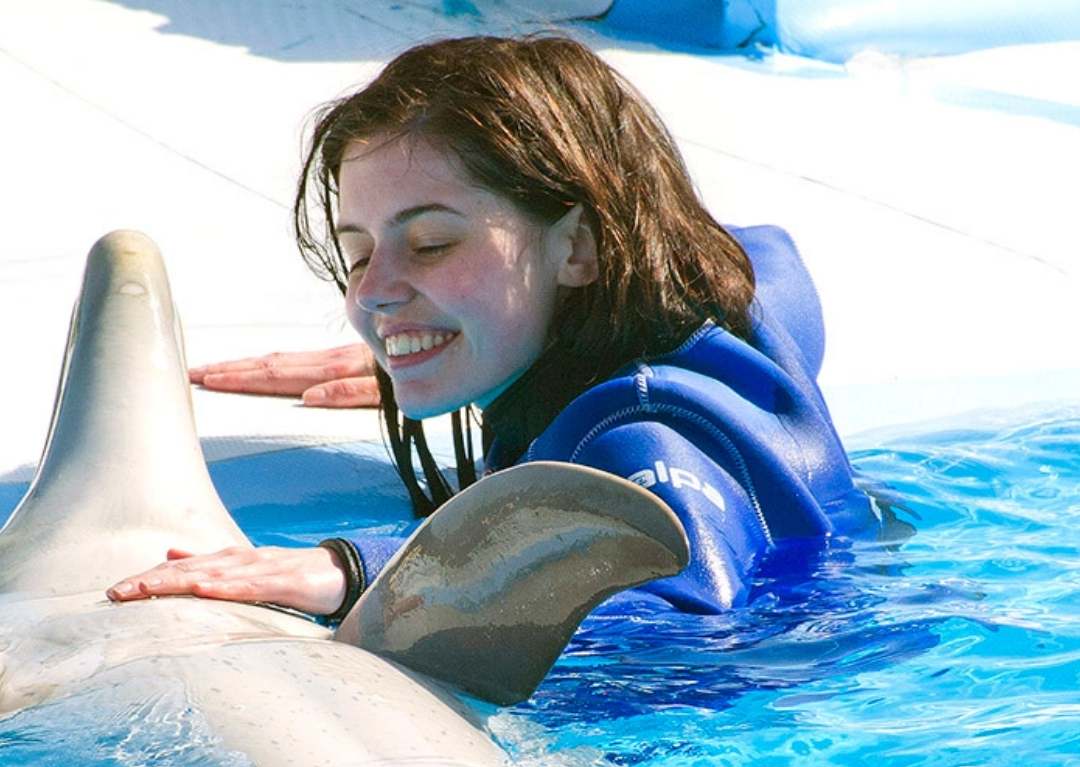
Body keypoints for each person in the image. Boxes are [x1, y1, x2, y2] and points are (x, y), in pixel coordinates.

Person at [107, 34, 880, 620]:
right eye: (358, 254)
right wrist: (443, 325)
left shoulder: (633, 438)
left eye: (432, 245)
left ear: (578, 246)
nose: (374, 294)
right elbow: (759, 255)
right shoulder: (740, 317)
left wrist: (369, 573)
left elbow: (683, 609)